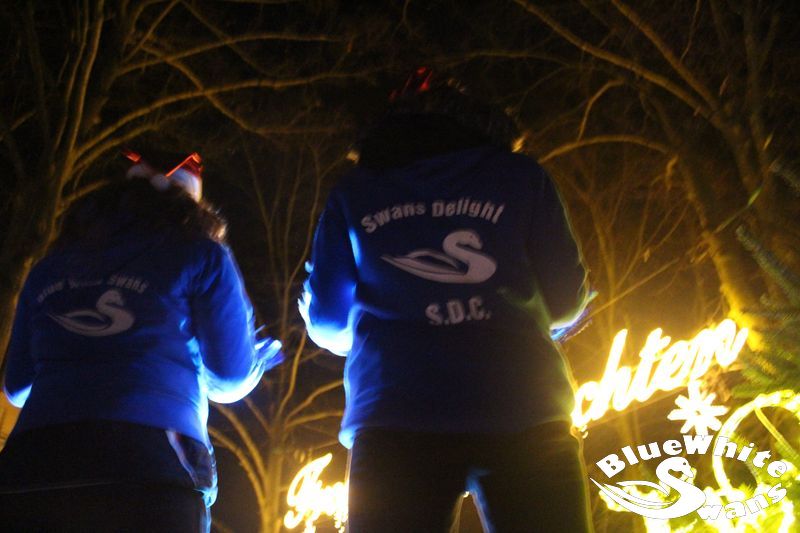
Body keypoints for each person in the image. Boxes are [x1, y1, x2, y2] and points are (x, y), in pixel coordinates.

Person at [299, 68, 594, 532]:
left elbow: (328, 321)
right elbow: (566, 302)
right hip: (523, 406)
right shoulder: (522, 177)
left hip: (396, 415)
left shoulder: (354, 192)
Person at [0, 150, 281, 532]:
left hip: (34, 464)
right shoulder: (201, 254)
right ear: (191, 203)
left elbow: (17, 388)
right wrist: (254, 360)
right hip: (152, 464)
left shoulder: (47, 268)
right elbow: (230, 378)